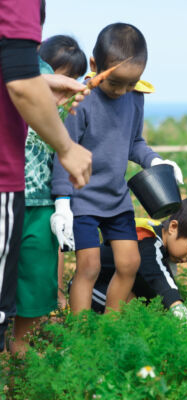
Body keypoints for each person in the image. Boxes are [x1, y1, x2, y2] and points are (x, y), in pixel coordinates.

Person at [51, 23, 183, 314]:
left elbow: (135, 142)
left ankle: (111, 324)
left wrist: (155, 161)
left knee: (129, 263)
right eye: (115, 83)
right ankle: (80, 331)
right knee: (89, 266)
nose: (122, 91)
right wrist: (62, 203)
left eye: (131, 83)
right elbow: (65, 151)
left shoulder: (135, 98)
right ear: (95, 65)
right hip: (83, 200)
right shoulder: (80, 101)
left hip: (116, 199)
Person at [0, 0, 91, 352]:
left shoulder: (52, 90)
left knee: (36, 278)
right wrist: (68, 149)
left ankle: (19, 346)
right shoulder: (24, 68)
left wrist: (62, 200)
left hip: (38, 197)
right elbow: (24, 84)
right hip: (11, 187)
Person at [84, 197, 187, 324]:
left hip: (116, 285)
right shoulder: (149, 242)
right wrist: (177, 306)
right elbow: (158, 275)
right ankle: (108, 329)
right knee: (138, 310)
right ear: (173, 227)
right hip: (94, 288)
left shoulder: (161, 232)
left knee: (149, 307)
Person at [39, 35, 88, 309]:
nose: (69, 86)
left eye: (76, 78)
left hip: (52, 191)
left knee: (53, 245)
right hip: (20, 188)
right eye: (65, 77)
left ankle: (55, 297)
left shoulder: (69, 111)